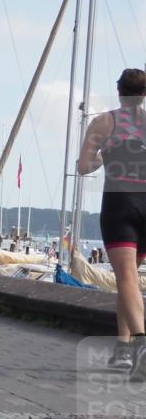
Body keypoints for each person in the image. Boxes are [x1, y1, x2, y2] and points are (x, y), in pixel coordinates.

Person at [77, 68, 146, 378]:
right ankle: (123, 350)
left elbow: (83, 167)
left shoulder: (105, 122)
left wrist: (104, 156)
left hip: (120, 203)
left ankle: (141, 347)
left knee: (127, 279)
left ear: (119, 90)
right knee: (126, 280)